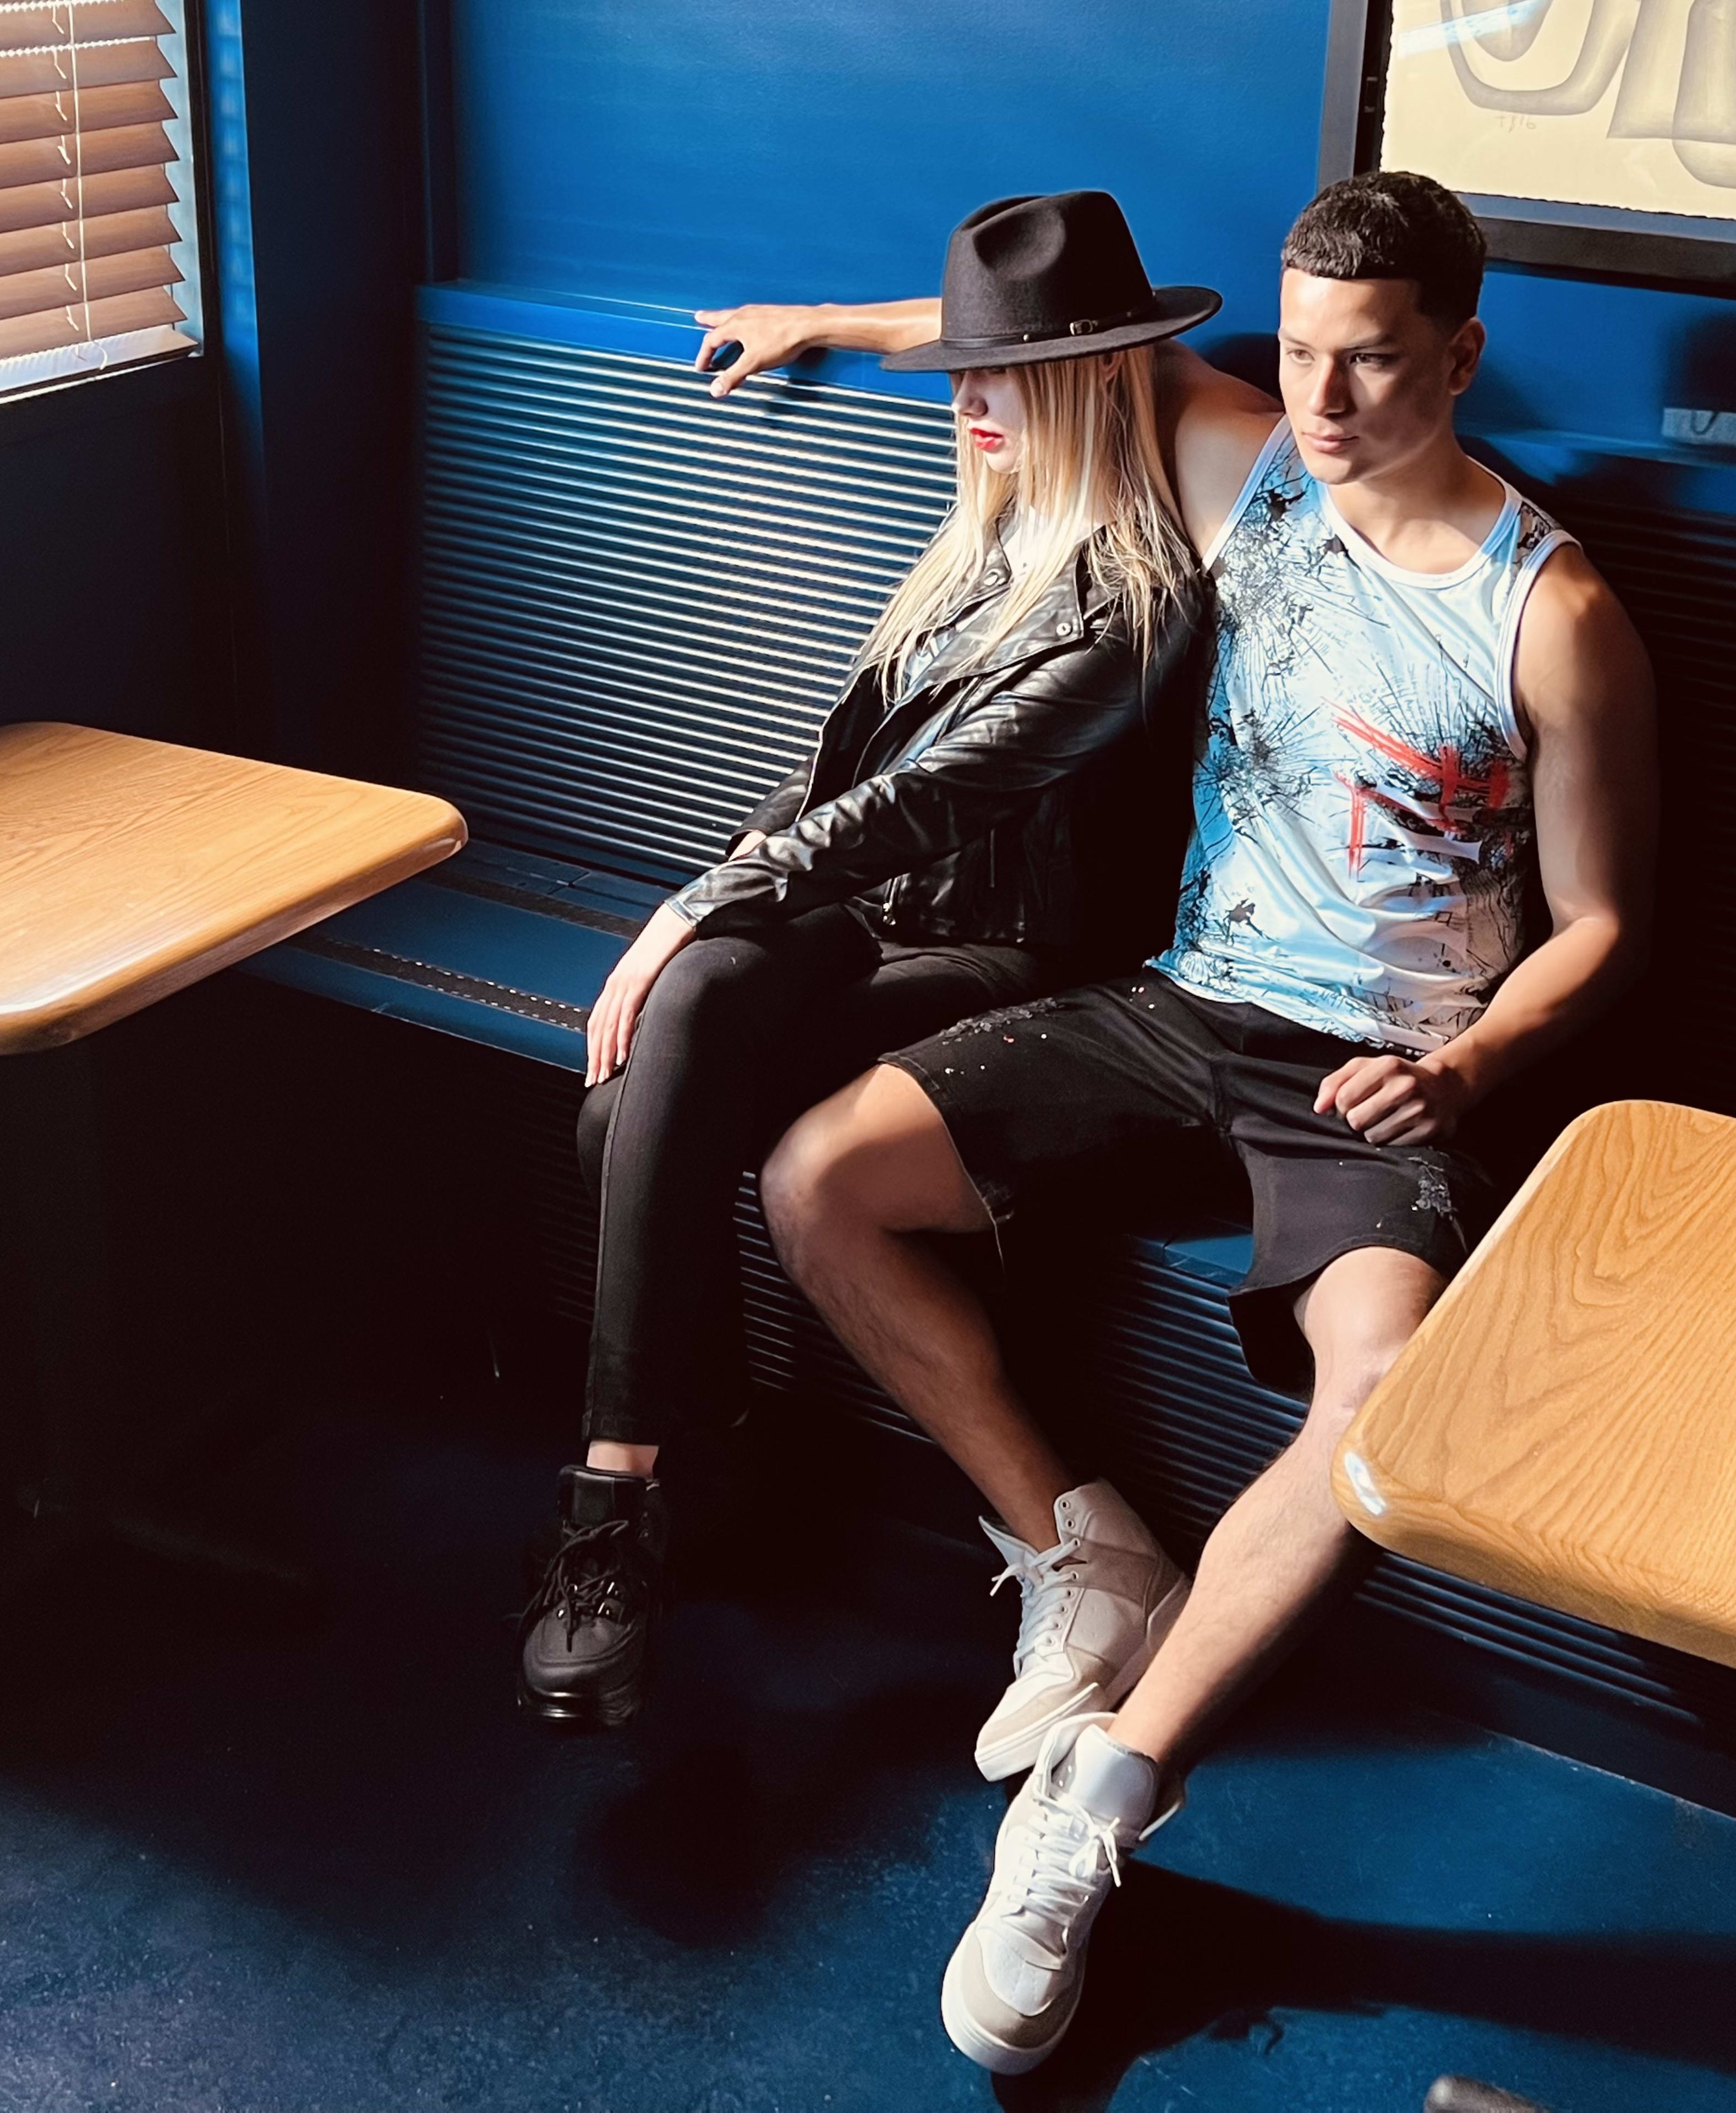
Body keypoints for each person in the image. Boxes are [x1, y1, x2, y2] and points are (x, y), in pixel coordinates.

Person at [708, 171, 1658, 2073]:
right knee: (819, 1175)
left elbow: (1612, 927)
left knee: (1382, 1405)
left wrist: (1464, 1071)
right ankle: (1082, 1552)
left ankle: (1096, 1810)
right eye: (1300, 353)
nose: (1321, 398)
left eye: (1371, 364)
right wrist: (832, 319)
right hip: (1175, 1008)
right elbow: (1061, 355)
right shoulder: (1263, 475)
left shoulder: (1556, 615)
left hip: (1379, 1068)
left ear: (1462, 354)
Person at [519, 191, 1218, 1737]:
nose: (964, 403)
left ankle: (616, 1513)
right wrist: (710, 897)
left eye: (1000, 378)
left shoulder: (1133, 603)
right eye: (957, 371)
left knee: (635, 1088)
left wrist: (691, 907)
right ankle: (672, 1480)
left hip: (1014, 957)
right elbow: (844, 777)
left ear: (1090, 384)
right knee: (648, 1071)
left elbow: (929, 799)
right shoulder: (986, 537)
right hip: (885, 912)